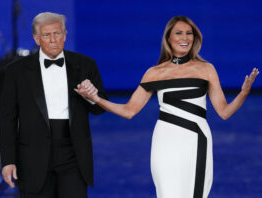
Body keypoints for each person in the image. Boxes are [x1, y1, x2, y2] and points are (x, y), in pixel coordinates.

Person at [75, 16, 259, 198]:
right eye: (178, 33)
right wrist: (95, 98)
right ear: (168, 38)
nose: (184, 38)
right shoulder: (154, 73)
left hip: (196, 141)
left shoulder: (206, 69)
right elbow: (129, 111)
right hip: (165, 142)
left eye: (189, 33)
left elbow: (224, 112)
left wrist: (243, 93)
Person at [0, 12, 106, 198]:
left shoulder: (85, 65)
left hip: (73, 153)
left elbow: (99, 109)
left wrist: (92, 97)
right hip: (32, 154)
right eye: (47, 35)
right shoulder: (16, 71)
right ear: (36, 38)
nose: (53, 40)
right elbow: (8, 119)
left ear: (65, 35)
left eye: (57, 33)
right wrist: (8, 160)